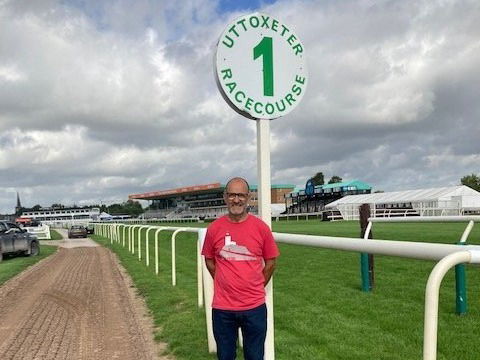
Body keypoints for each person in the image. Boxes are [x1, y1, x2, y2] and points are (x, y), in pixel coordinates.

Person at [201, 177, 279, 360]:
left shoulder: (261, 228)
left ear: (248, 197)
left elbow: (271, 262)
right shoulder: (214, 229)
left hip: (254, 307)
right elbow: (209, 260)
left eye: (241, 195)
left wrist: (257, 284)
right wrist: (223, 281)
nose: (236, 199)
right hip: (222, 308)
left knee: (255, 356)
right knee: (225, 356)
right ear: (225, 197)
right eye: (232, 195)